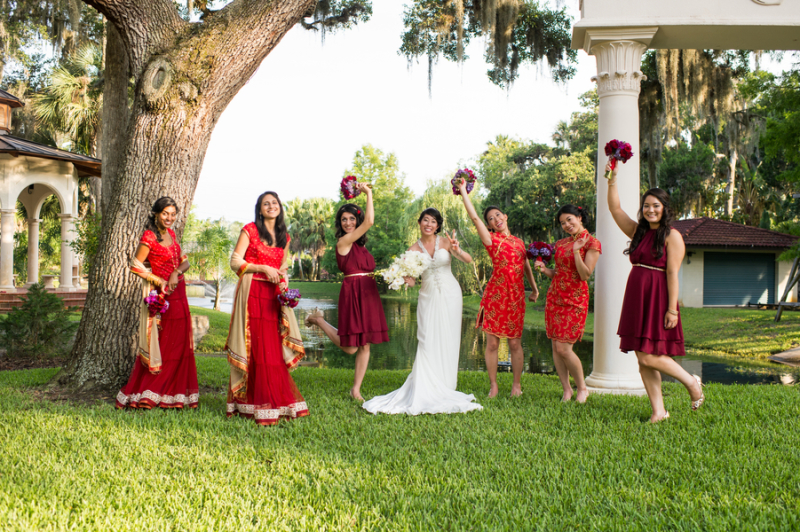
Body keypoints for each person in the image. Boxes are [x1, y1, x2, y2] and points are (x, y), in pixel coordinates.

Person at [606, 161, 705, 423]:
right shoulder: (638, 232)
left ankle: (691, 382)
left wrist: (673, 309)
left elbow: (672, 273)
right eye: (646, 205)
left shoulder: (673, 236)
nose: (650, 210)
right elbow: (615, 209)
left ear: (665, 209)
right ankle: (658, 411)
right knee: (643, 358)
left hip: (658, 296)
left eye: (656, 206)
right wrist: (612, 179)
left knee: (651, 355)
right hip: (637, 296)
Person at [363, 208, 483, 415]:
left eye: (434, 221)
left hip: (451, 295)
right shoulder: (412, 250)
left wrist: (458, 249)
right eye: (426, 220)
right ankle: (425, 385)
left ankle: (446, 385)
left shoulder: (446, 242)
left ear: (438, 226)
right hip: (427, 297)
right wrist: (407, 280)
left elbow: (468, 260)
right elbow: (410, 281)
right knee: (427, 339)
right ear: (419, 222)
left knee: (448, 338)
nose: (429, 224)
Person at [225, 191, 308, 426]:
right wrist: (262, 268)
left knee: (272, 344)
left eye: (274, 203)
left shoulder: (285, 237)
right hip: (252, 293)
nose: (271, 206)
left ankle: (275, 400)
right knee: (257, 344)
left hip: (274, 296)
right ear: (260, 210)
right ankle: (252, 402)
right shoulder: (250, 230)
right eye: (266, 204)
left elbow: (282, 268)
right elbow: (235, 261)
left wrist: (285, 288)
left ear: (280, 207)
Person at [456, 178, 538, 397]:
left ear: (505, 216)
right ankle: (493, 385)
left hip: (516, 296)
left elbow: (526, 265)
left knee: (515, 344)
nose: (495, 220)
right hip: (496, 295)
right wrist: (464, 191)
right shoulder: (491, 240)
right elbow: (474, 217)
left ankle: (517, 385)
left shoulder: (520, 242)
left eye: (498, 215)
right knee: (492, 344)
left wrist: (534, 289)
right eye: (490, 219)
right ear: (490, 226)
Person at [306, 183, 388, 401]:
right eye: (344, 219)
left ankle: (356, 389)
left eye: (352, 219)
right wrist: (369, 193)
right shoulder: (344, 241)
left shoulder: (362, 247)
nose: (348, 222)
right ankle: (319, 320)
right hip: (353, 293)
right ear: (340, 224)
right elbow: (370, 221)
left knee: (365, 344)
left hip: (369, 293)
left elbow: (367, 269)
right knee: (350, 347)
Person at [118, 197, 199, 409]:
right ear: (156, 214)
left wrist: (175, 272)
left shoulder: (171, 233)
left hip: (178, 291)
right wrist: (159, 280)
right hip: (162, 295)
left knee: (179, 341)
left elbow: (185, 261)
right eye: (165, 214)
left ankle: (175, 390)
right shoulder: (149, 236)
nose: (169, 218)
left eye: (173, 214)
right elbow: (135, 265)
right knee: (164, 341)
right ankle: (153, 389)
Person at [534, 205, 601, 403]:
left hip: (575, 299)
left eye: (570, 219)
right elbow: (559, 272)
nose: (566, 225)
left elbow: (584, 274)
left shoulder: (592, 243)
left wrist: (576, 252)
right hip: (555, 297)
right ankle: (566, 390)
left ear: (580, 218)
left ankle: (582, 388)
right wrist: (544, 270)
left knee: (565, 348)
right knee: (556, 347)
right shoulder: (561, 243)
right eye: (563, 223)